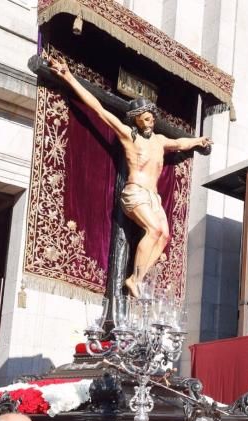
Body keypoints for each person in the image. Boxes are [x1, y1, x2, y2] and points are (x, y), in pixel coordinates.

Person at [47, 56, 212, 297]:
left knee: (164, 236)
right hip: (134, 193)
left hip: (153, 197)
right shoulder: (129, 136)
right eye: (145, 118)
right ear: (136, 118)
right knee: (154, 230)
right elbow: (98, 109)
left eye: (152, 118)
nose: (150, 122)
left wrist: (198, 140)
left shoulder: (159, 141)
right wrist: (69, 77)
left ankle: (137, 278)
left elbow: (179, 143)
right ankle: (134, 279)